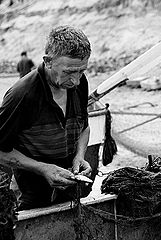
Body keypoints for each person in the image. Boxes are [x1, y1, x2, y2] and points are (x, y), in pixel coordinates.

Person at [0, 25, 92, 210]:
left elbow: (84, 127)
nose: (75, 80)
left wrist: (79, 156)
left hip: (69, 191)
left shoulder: (80, 84)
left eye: (81, 71)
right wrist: (42, 168)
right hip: (30, 197)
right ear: (48, 61)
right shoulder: (22, 95)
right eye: (68, 72)